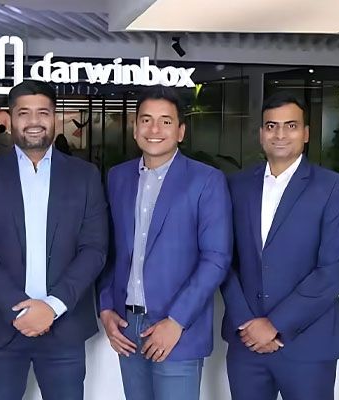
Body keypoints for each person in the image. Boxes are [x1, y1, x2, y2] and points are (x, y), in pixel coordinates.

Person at [0, 80, 108, 400]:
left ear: (54, 117)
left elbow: (94, 250)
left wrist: (52, 307)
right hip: (1, 328)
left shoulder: (85, 176)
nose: (34, 121)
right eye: (23, 113)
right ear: (11, 119)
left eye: (43, 112)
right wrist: (19, 310)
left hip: (64, 328)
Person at [221, 92, 339, 400]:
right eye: (271, 126)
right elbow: (223, 259)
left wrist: (275, 324)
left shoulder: (333, 187)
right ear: (261, 133)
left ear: (306, 133)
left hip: (308, 343)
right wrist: (246, 322)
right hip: (246, 344)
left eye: (291, 126)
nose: (280, 134)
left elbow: (334, 269)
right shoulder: (236, 186)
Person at [98, 86, 233, 400]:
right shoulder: (118, 177)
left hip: (177, 329)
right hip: (127, 325)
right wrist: (105, 307)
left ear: (181, 131)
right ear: (135, 129)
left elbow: (216, 258)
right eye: (146, 120)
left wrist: (176, 321)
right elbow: (108, 249)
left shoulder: (206, 180)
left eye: (166, 121)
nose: (154, 129)